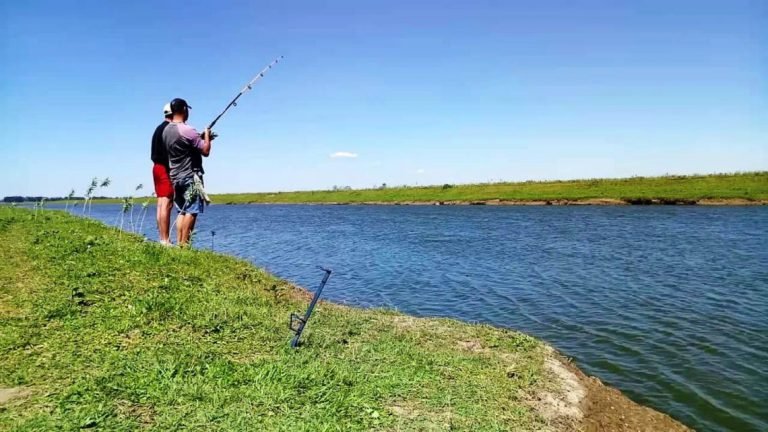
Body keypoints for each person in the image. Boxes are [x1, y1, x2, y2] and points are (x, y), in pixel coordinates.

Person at [162, 98, 212, 246]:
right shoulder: (187, 130)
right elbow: (205, 150)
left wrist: (198, 138)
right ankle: (184, 246)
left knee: (181, 211)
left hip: (175, 176)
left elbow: (182, 146)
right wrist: (207, 135)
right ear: (184, 109)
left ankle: (180, 243)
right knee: (192, 211)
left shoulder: (166, 131)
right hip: (190, 176)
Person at [151, 103, 174, 245]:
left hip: (156, 168)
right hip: (165, 168)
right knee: (166, 203)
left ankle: (162, 238)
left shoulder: (158, 128)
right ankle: (165, 240)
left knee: (160, 203)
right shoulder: (169, 129)